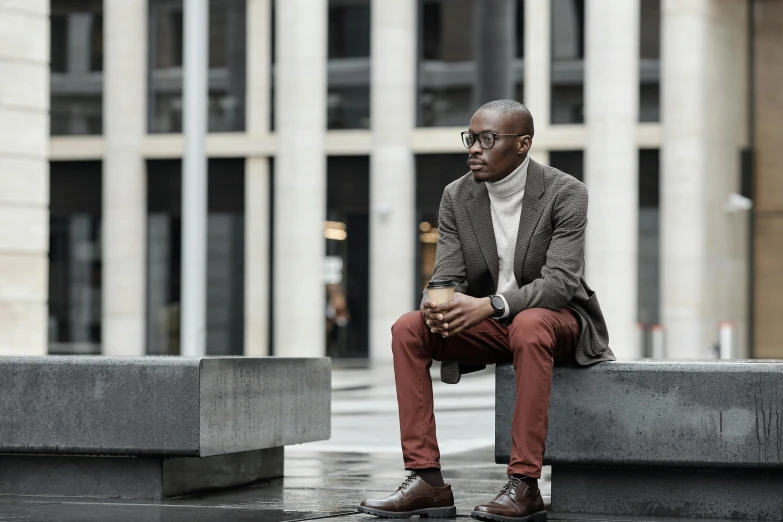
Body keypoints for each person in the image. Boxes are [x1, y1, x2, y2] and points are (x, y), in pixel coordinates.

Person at [358, 99, 614, 522]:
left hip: (559, 322)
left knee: (529, 324)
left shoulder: (565, 192)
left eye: (487, 139)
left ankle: (524, 485)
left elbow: (559, 283)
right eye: (471, 138)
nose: (474, 148)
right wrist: (438, 303)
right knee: (408, 327)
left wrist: (492, 305)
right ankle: (427, 480)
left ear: (522, 144)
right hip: (495, 325)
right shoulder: (458, 196)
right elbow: (447, 275)